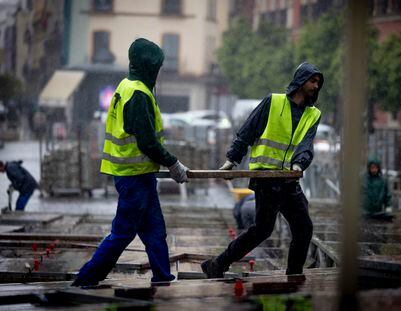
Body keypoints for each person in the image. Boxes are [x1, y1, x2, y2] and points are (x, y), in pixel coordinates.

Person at [72, 38, 189, 287]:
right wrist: (173, 163)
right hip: (133, 177)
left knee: (155, 231)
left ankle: (162, 278)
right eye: (157, 68)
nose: (159, 74)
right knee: (122, 234)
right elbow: (147, 143)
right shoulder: (138, 95)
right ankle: (86, 279)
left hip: (138, 176)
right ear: (149, 67)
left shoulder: (126, 86)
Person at [201, 62, 323, 278]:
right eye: (312, 81)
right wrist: (232, 159)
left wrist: (299, 164)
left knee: (303, 228)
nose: (316, 86)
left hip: (289, 180)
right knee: (263, 230)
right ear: (301, 81)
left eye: (318, 83)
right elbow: (248, 131)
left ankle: (294, 276)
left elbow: (306, 144)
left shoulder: (313, 114)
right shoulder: (273, 102)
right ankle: (218, 264)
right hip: (266, 179)